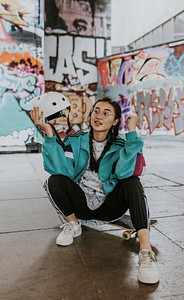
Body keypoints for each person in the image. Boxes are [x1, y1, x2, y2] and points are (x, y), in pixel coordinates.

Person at [30, 94, 159, 285]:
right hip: (81, 204)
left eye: (106, 113)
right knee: (54, 180)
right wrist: (49, 134)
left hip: (110, 206)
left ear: (115, 121)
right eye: (96, 111)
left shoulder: (122, 144)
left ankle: (145, 251)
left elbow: (125, 172)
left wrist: (132, 134)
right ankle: (73, 224)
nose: (99, 116)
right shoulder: (76, 140)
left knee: (132, 182)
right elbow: (60, 169)